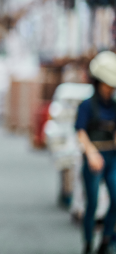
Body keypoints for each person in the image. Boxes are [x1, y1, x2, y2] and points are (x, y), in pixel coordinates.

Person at [76, 51, 116, 254]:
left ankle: (106, 240)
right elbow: (81, 132)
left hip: (112, 157)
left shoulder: (114, 105)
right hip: (94, 158)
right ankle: (88, 242)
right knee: (91, 203)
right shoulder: (87, 105)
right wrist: (91, 154)